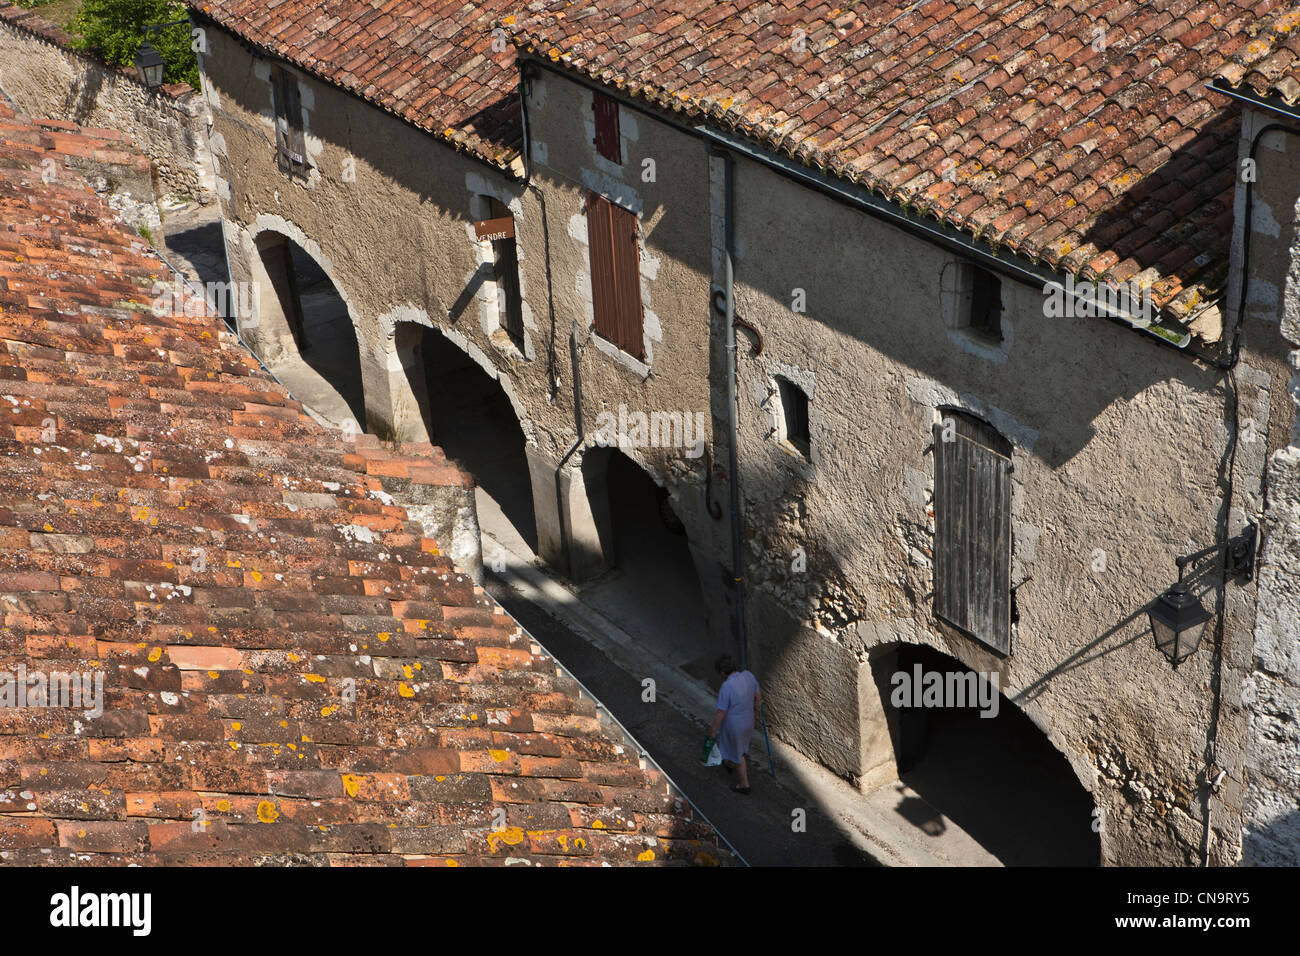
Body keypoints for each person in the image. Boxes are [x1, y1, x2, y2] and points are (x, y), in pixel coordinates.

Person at [709, 655, 761, 794]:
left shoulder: (727, 686)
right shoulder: (748, 676)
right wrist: (756, 713)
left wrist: (713, 729)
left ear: (722, 673)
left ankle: (744, 785)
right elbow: (758, 696)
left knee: (739, 754)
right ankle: (729, 764)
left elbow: (721, 712)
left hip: (734, 725)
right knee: (739, 746)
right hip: (748, 720)